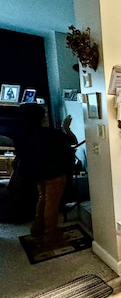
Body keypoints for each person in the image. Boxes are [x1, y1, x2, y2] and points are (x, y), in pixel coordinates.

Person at [13, 104, 75, 245]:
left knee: (43, 198)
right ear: (41, 117)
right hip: (53, 173)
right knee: (52, 203)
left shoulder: (20, 133)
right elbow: (72, 141)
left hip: (35, 173)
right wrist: (67, 128)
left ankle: (37, 227)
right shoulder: (49, 133)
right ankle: (51, 234)